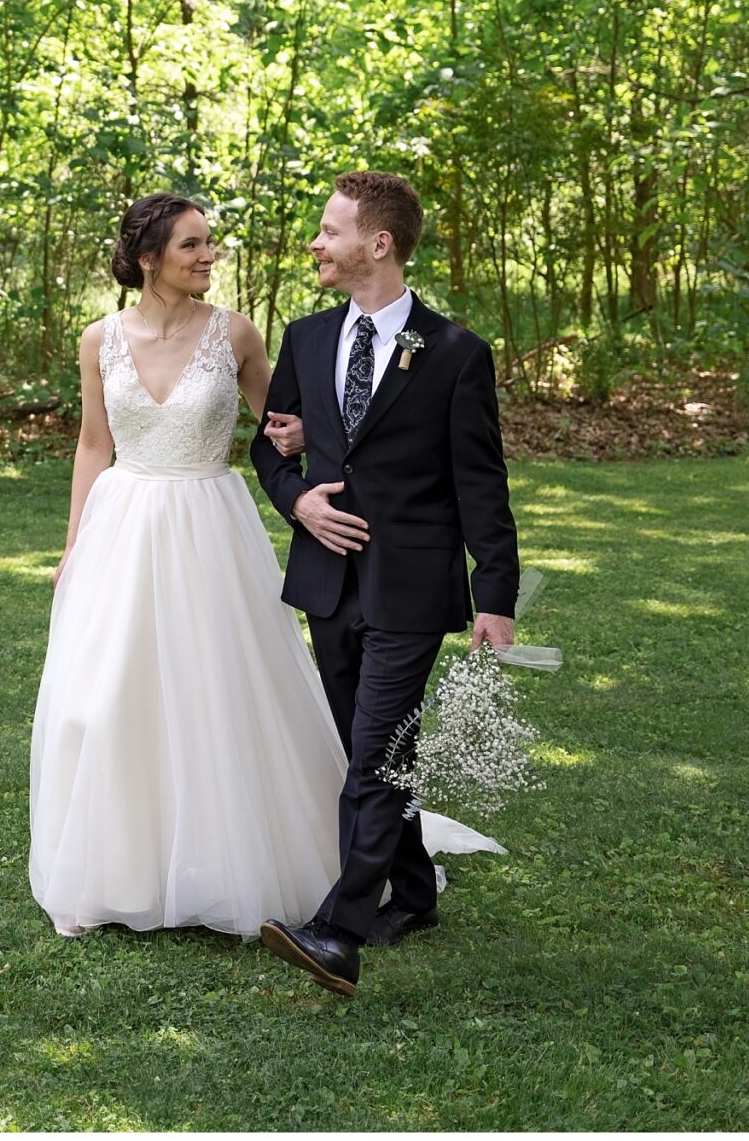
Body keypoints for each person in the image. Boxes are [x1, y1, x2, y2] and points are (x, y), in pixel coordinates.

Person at [27, 190, 492, 943]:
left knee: (216, 695)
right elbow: (92, 443)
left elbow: (294, 423)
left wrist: (309, 446)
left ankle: (247, 861)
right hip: (120, 529)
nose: (209, 255)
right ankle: (108, 870)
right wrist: (74, 542)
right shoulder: (98, 339)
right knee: (107, 695)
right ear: (149, 259)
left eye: (210, 242)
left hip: (209, 528)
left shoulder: (236, 333)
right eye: (192, 245)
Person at [249, 170, 521, 996]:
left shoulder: (455, 354)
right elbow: (270, 446)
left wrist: (497, 594)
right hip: (329, 582)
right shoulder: (302, 337)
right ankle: (414, 890)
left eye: (330, 230)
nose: (315, 243)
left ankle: (340, 928)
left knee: (372, 755)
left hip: (411, 586)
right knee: (373, 750)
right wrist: (300, 501)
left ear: (380, 243)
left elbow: (482, 481)